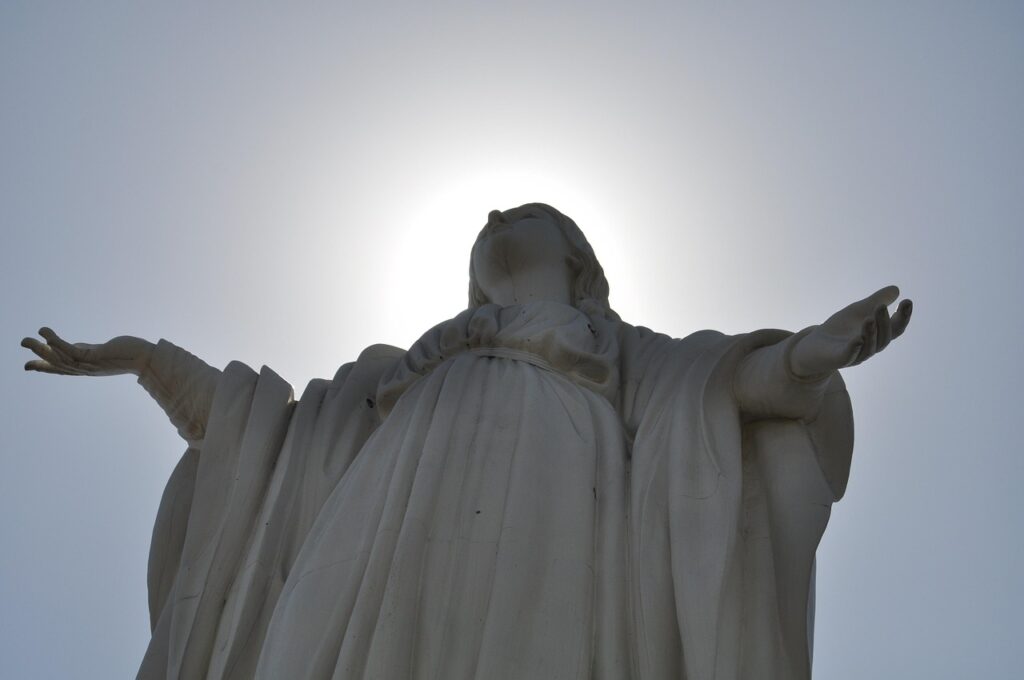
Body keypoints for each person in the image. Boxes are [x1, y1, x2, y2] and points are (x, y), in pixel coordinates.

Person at [23, 204, 911, 680]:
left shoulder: (624, 352)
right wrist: (151, 361)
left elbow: (716, 395)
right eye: (484, 224)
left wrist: (802, 358)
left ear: (576, 258)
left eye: (520, 214)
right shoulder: (397, 370)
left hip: (557, 495)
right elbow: (275, 442)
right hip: (379, 515)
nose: (492, 216)